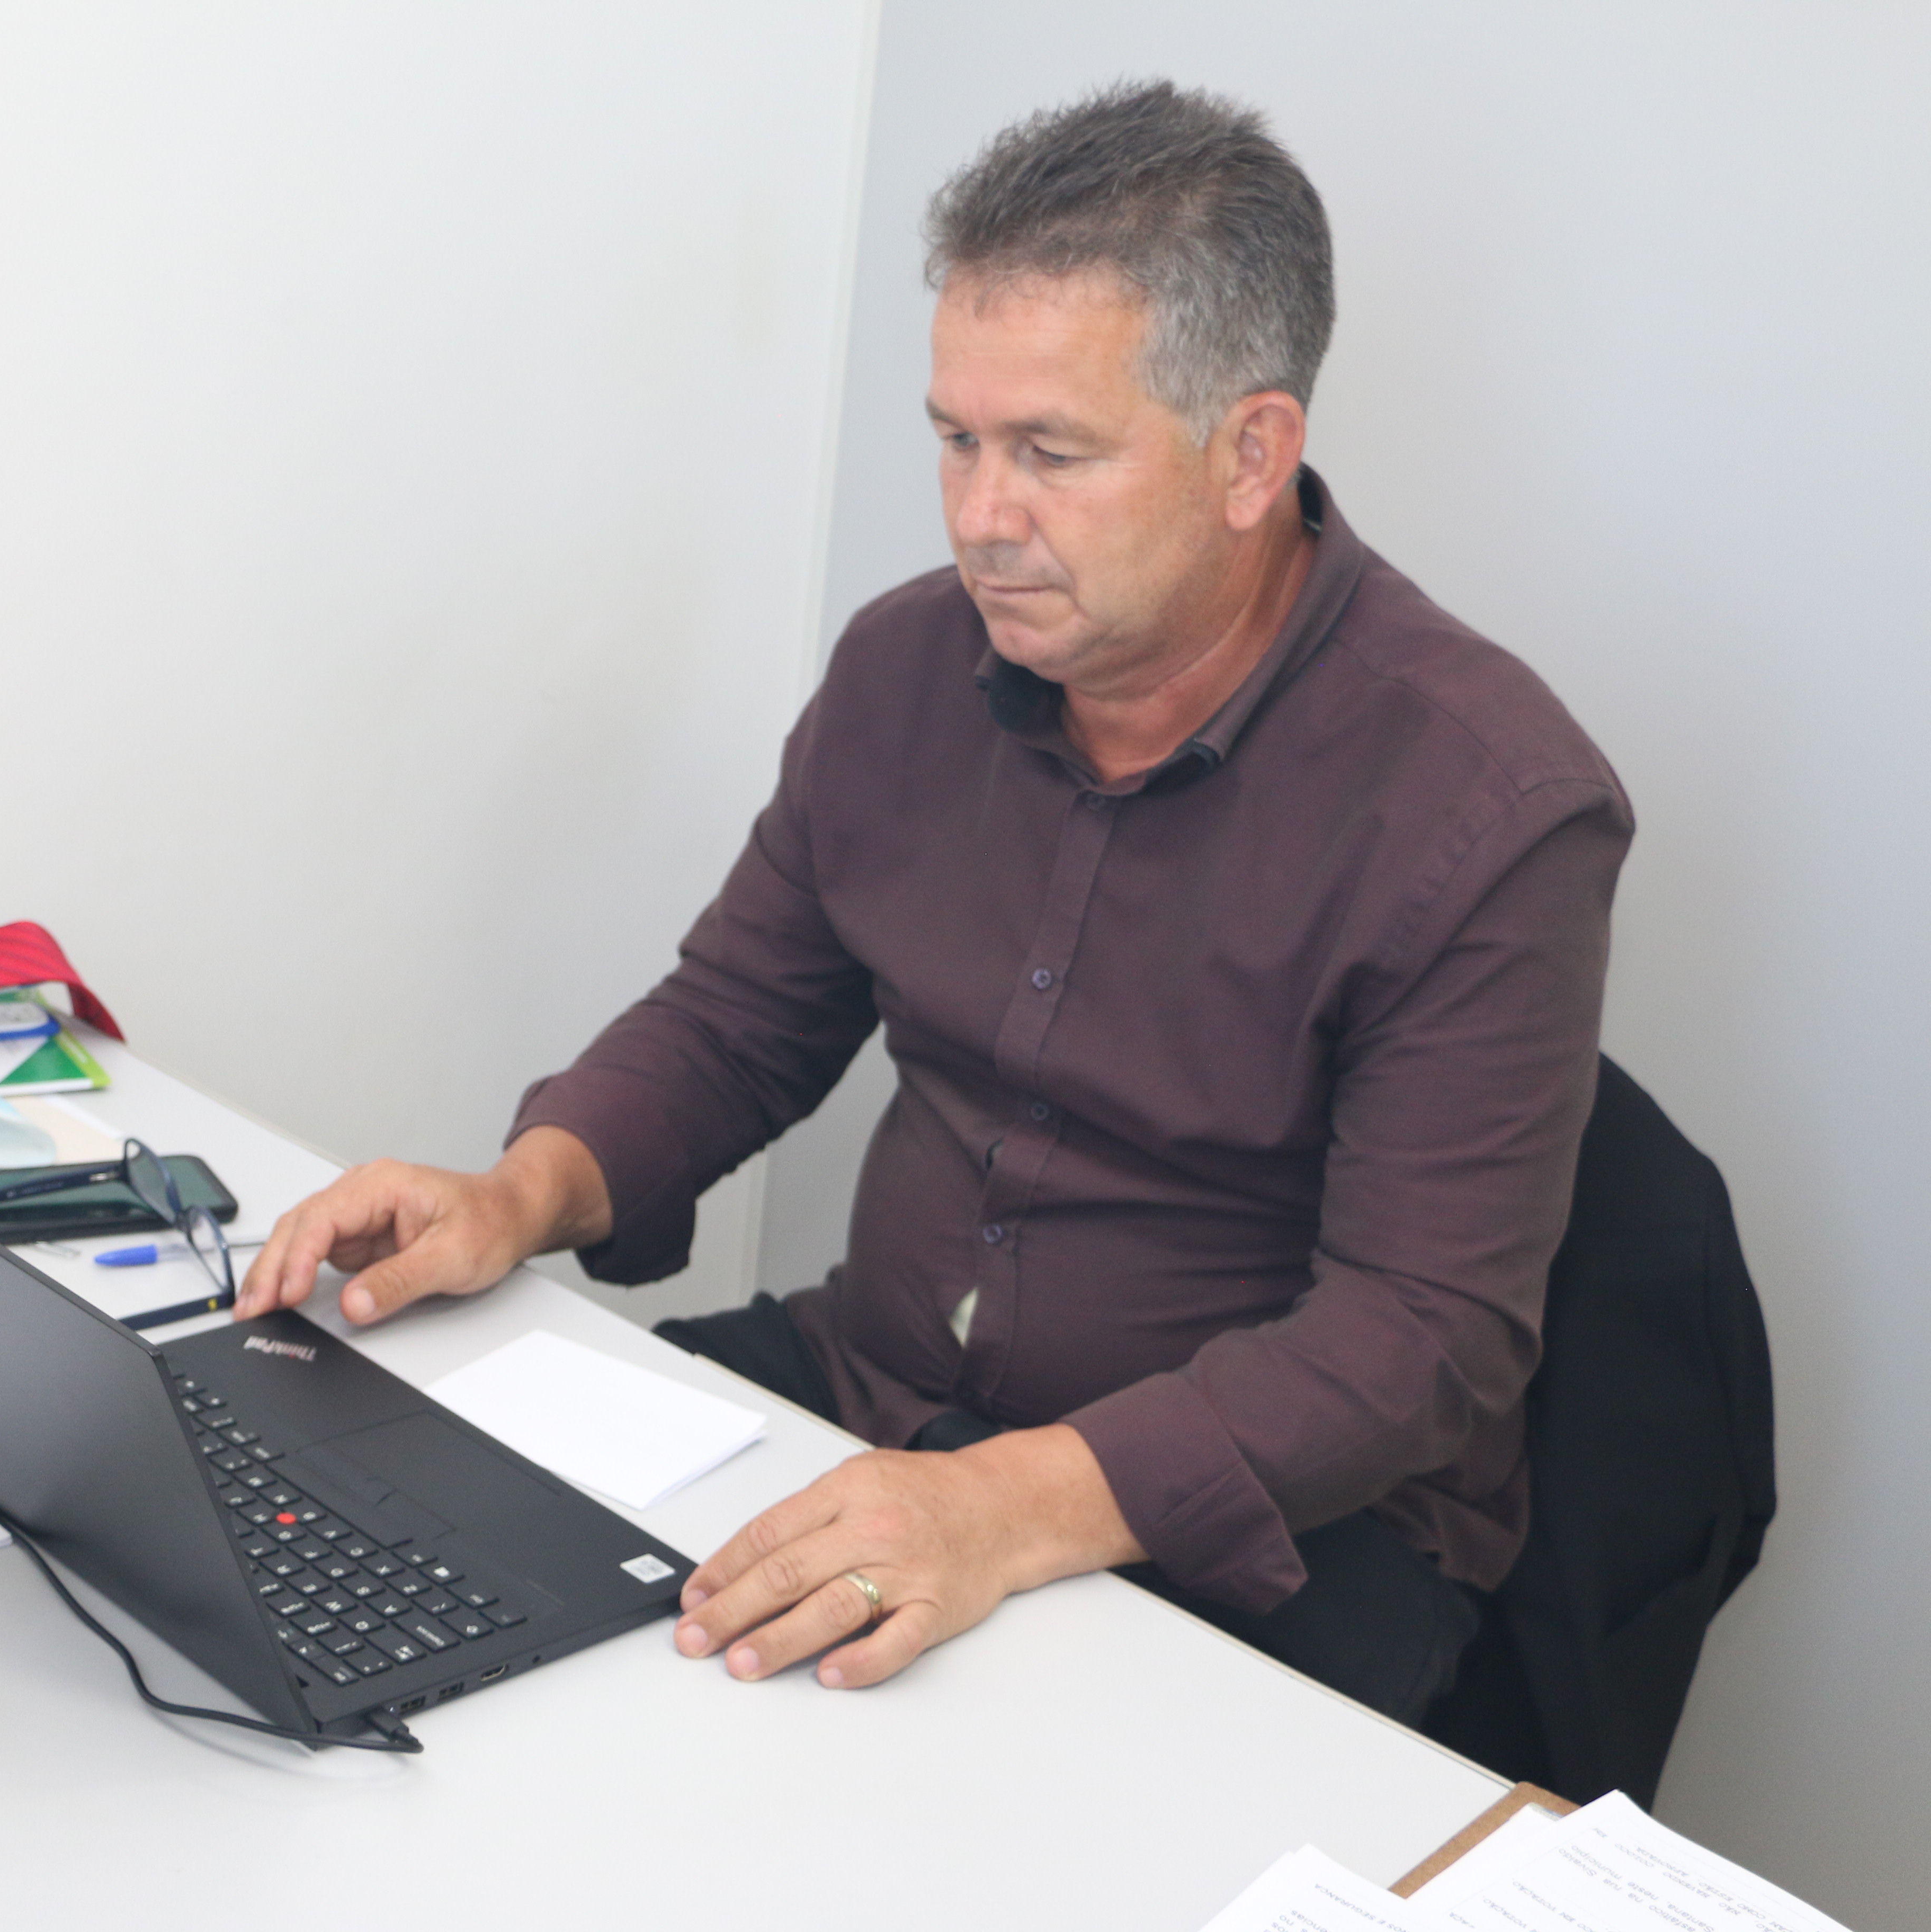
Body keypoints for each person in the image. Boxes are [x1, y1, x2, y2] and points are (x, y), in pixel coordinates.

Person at [235, 80, 1630, 1723]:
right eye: (957, 441)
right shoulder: (910, 663)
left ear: (1251, 454)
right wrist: (519, 1193)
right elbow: (739, 1021)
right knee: (403, 1583)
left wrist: (1004, 1506)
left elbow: (1420, 1341)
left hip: (1253, 1547)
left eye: (1052, 454)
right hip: (875, 1401)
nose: (980, 518)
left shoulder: (1487, 803)